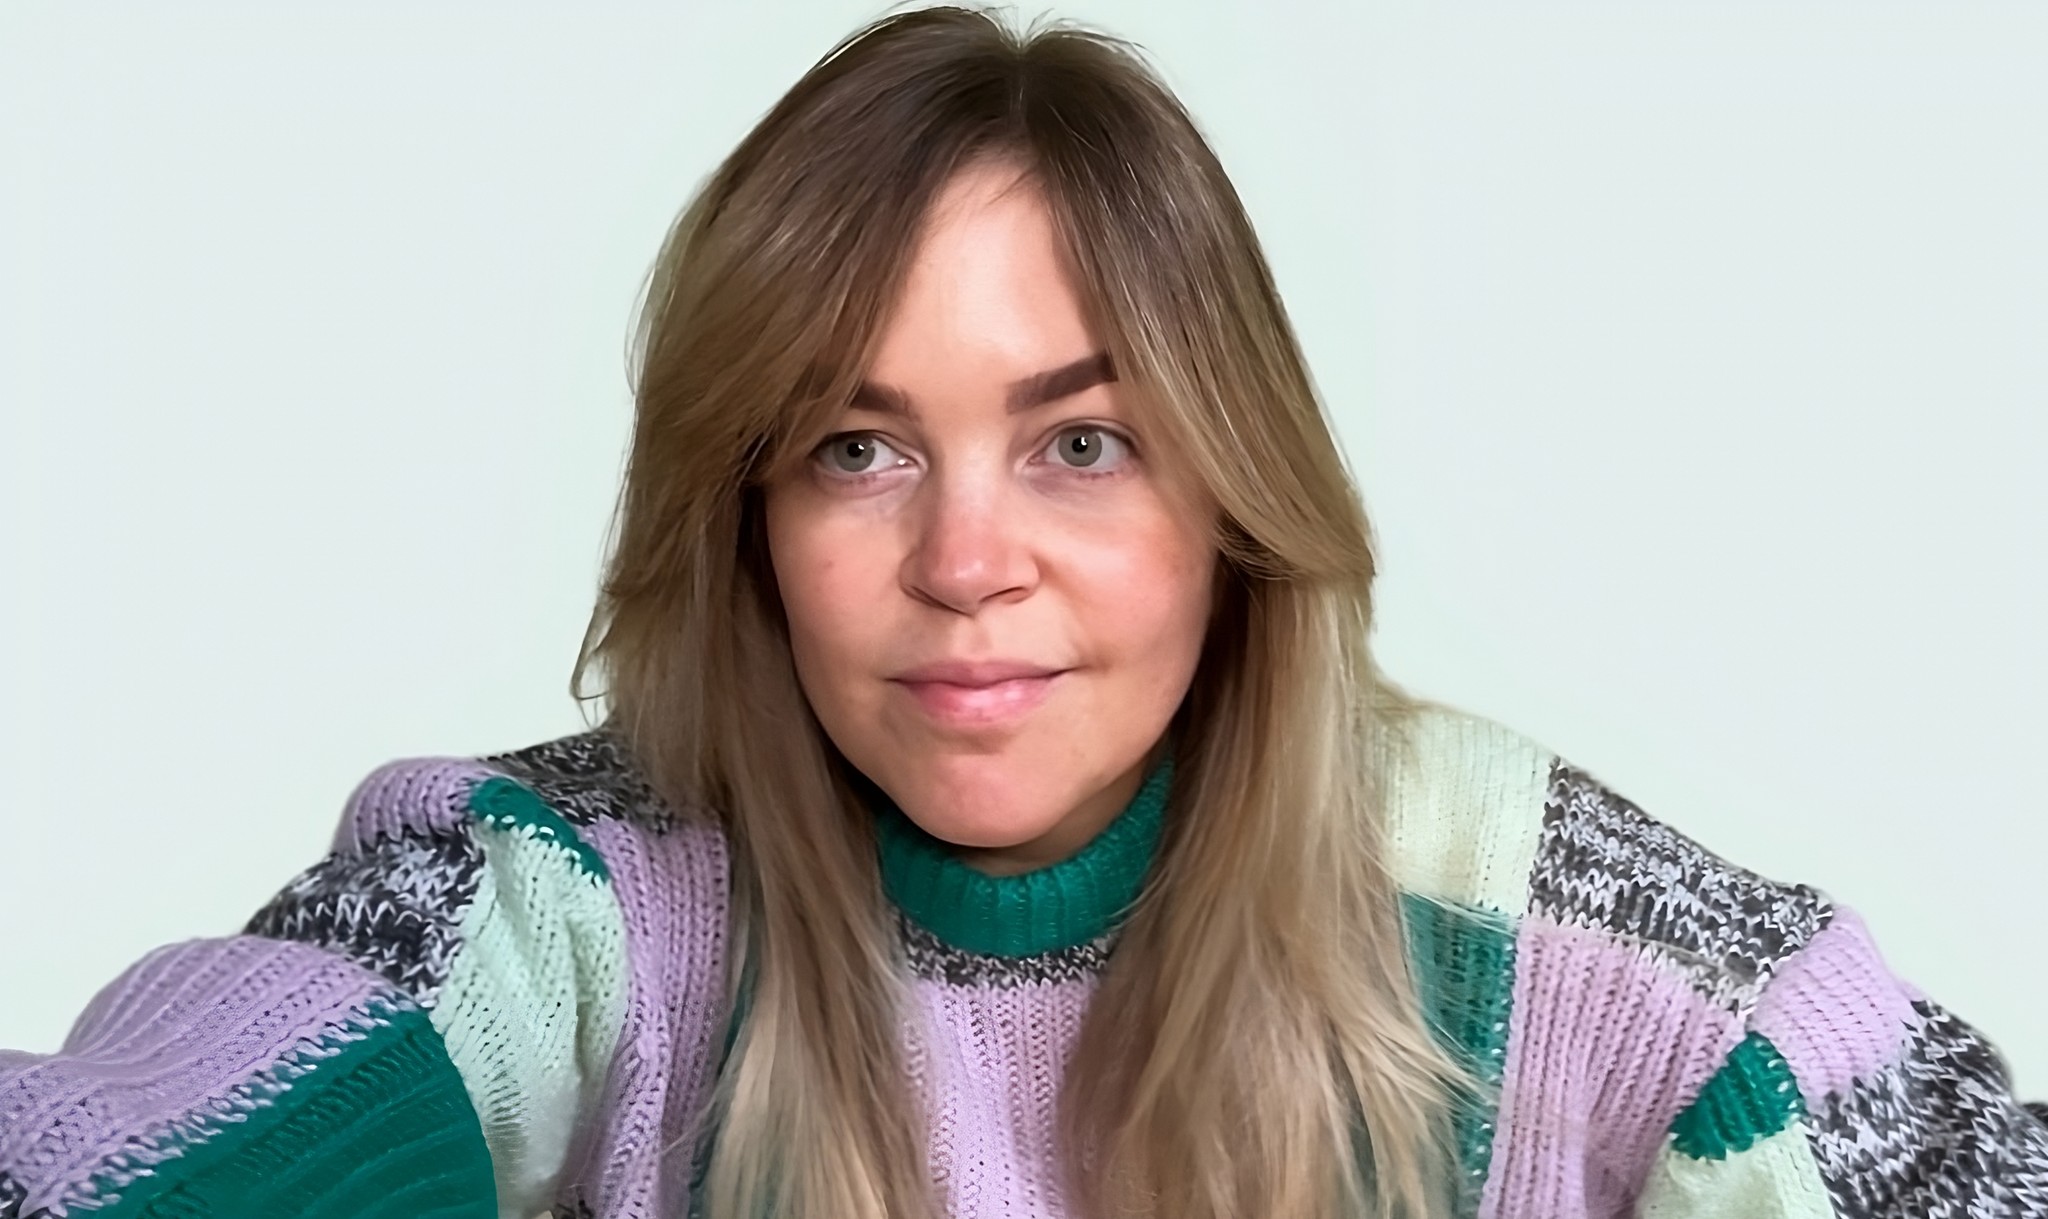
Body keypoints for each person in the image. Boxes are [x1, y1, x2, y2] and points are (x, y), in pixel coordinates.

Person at [4, 6, 2044, 1218]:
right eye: (853, 447)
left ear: (1233, 488)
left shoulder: (1525, 915)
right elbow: (127, 1143)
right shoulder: (564, 902)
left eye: (1079, 443)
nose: (965, 562)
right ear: (745, 514)